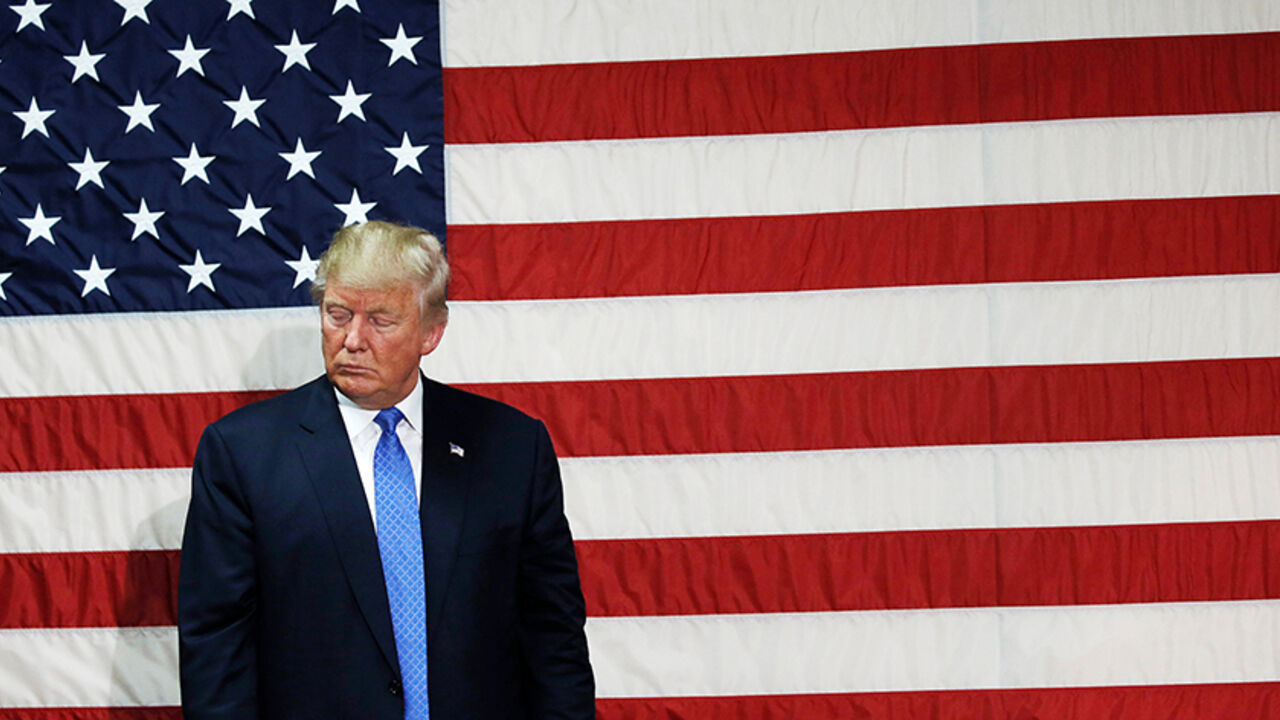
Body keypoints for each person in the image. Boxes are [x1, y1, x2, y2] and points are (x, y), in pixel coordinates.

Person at [178, 220, 595, 719]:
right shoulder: (243, 454)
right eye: (337, 315)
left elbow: (554, 635)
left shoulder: (510, 448)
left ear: (431, 332)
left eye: (380, 319)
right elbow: (217, 651)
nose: (352, 339)